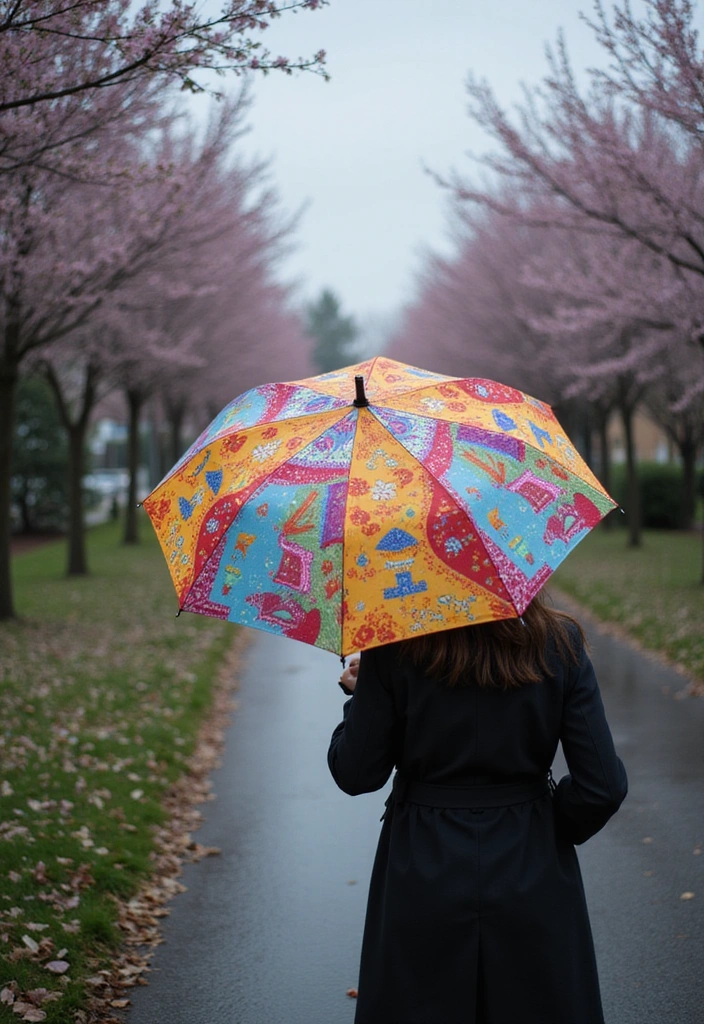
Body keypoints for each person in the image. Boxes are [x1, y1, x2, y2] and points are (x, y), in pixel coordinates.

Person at [328, 592, 627, 1024]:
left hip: (421, 870)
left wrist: (360, 694)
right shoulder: (559, 642)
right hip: (533, 867)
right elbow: (603, 786)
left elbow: (356, 773)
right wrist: (547, 827)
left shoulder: (393, 644)